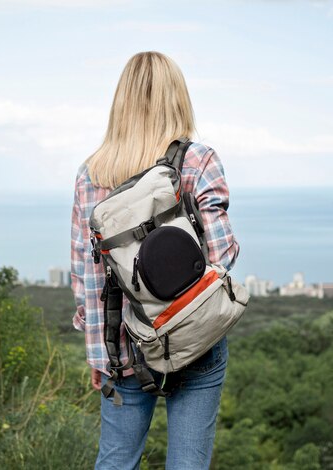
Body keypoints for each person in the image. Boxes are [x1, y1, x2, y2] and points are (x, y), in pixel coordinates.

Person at [70, 51, 240, 470]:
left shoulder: (91, 173)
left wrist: (100, 355)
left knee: (115, 461)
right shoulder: (197, 160)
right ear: (177, 98)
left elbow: (89, 279)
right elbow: (222, 256)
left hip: (124, 345)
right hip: (193, 336)